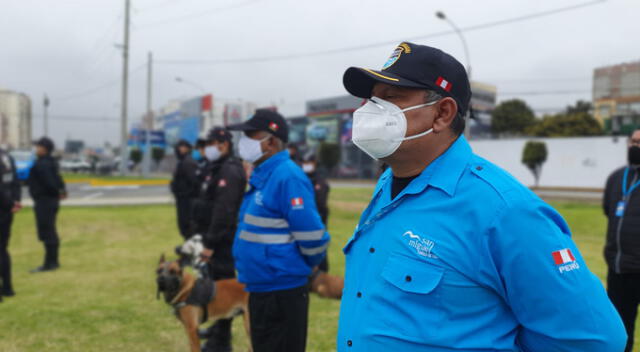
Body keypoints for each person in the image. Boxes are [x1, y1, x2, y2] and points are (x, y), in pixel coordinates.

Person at [336, 42, 626, 351]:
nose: (370, 110)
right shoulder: (388, 183)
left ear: (442, 113)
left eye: (391, 98)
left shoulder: (505, 211)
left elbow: (595, 339)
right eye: (372, 98)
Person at [228, 109, 330, 352]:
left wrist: (308, 264)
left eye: (250, 136)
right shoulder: (264, 175)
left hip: (282, 289)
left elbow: (312, 234)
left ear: (271, 142)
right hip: (261, 286)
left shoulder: (288, 177)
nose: (243, 142)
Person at [192, 127, 247, 352]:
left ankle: (221, 343)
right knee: (214, 287)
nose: (207, 148)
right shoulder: (217, 168)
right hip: (214, 238)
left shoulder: (229, 171)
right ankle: (217, 332)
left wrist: (211, 244)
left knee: (224, 293)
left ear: (223, 144)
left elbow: (223, 211)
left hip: (223, 242)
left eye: (210, 143)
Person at [604, 128, 640, 352]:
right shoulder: (616, 177)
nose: (636, 146)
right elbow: (609, 210)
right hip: (618, 267)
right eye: (633, 141)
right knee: (620, 327)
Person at [28, 137, 66, 273]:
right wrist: (61, 191)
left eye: (38, 146)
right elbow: (59, 179)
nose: (36, 149)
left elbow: (50, 182)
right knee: (50, 230)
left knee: (47, 231)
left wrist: (56, 191)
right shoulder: (50, 162)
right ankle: (53, 261)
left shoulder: (43, 164)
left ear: (44, 149)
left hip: (45, 201)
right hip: (50, 201)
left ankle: (49, 263)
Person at [302, 152, 330, 273]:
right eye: (305, 162)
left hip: (318, 217)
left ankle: (322, 272)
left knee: (319, 245)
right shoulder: (301, 177)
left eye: (309, 162)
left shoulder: (320, 180)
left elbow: (321, 203)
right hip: (305, 217)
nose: (306, 165)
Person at [0, 147, 21, 298]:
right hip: (7, 209)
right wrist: (15, 201)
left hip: (3, 205)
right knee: (2, 249)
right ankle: (7, 287)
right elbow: (16, 182)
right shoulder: (7, 156)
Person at [170, 139, 198, 239]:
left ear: (186, 148)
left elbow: (195, 183)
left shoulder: (188, 162)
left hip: (187, 202)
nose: (177, 150)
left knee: (188, 226)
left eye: (179, 147)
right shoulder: (183, 162)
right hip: (182, 200)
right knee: (183, 226)